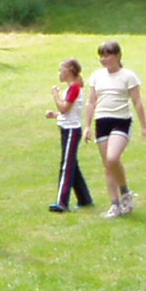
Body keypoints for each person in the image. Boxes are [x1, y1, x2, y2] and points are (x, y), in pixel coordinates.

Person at [83, 40, 146, 218]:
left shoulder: (128, 76)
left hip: (121, 120)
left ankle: (125, 191)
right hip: (102, 121)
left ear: (118, 56)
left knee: (112, 158)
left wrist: (145, 127)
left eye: (107, 55)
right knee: (107, 165)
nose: (104, 59)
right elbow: (91, 102)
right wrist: (87, 126)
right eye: (101, 56)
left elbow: (137, 101)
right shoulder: (97, 76)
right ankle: (115, 205)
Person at [45, 57, 94, 212]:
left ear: (69, 71)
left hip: (72, 131)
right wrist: (56, 115)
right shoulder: (72, 89)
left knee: (66, 166)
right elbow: (67, 112)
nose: (59, 73)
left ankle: (62, 201)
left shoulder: (74, 89)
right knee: (72, 164)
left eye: (61, 69)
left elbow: (65, 108)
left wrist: (56, 95)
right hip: (67, 129)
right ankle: (84, 198)